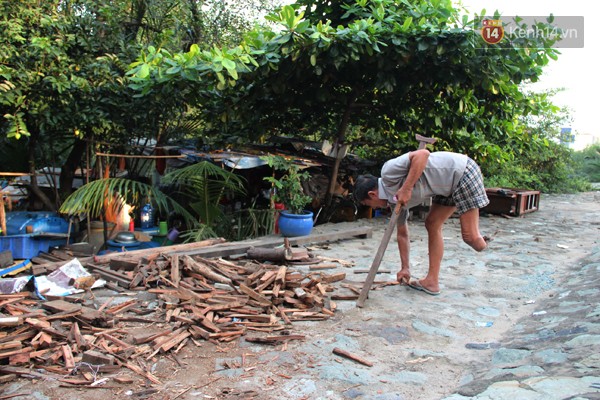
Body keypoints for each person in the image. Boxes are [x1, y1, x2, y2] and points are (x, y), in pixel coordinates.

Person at [353, 149, 491, 296]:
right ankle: (432, 282)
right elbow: (402, 234)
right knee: (432, 224)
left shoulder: (388, 172)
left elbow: (422, 154)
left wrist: (406, 188)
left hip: (462, 172)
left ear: (372, 194)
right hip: (445, 187)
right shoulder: (394, 205)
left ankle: (488, 244)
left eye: (369, 204)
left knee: (471, 238)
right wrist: (405, 267)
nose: (373, 208)